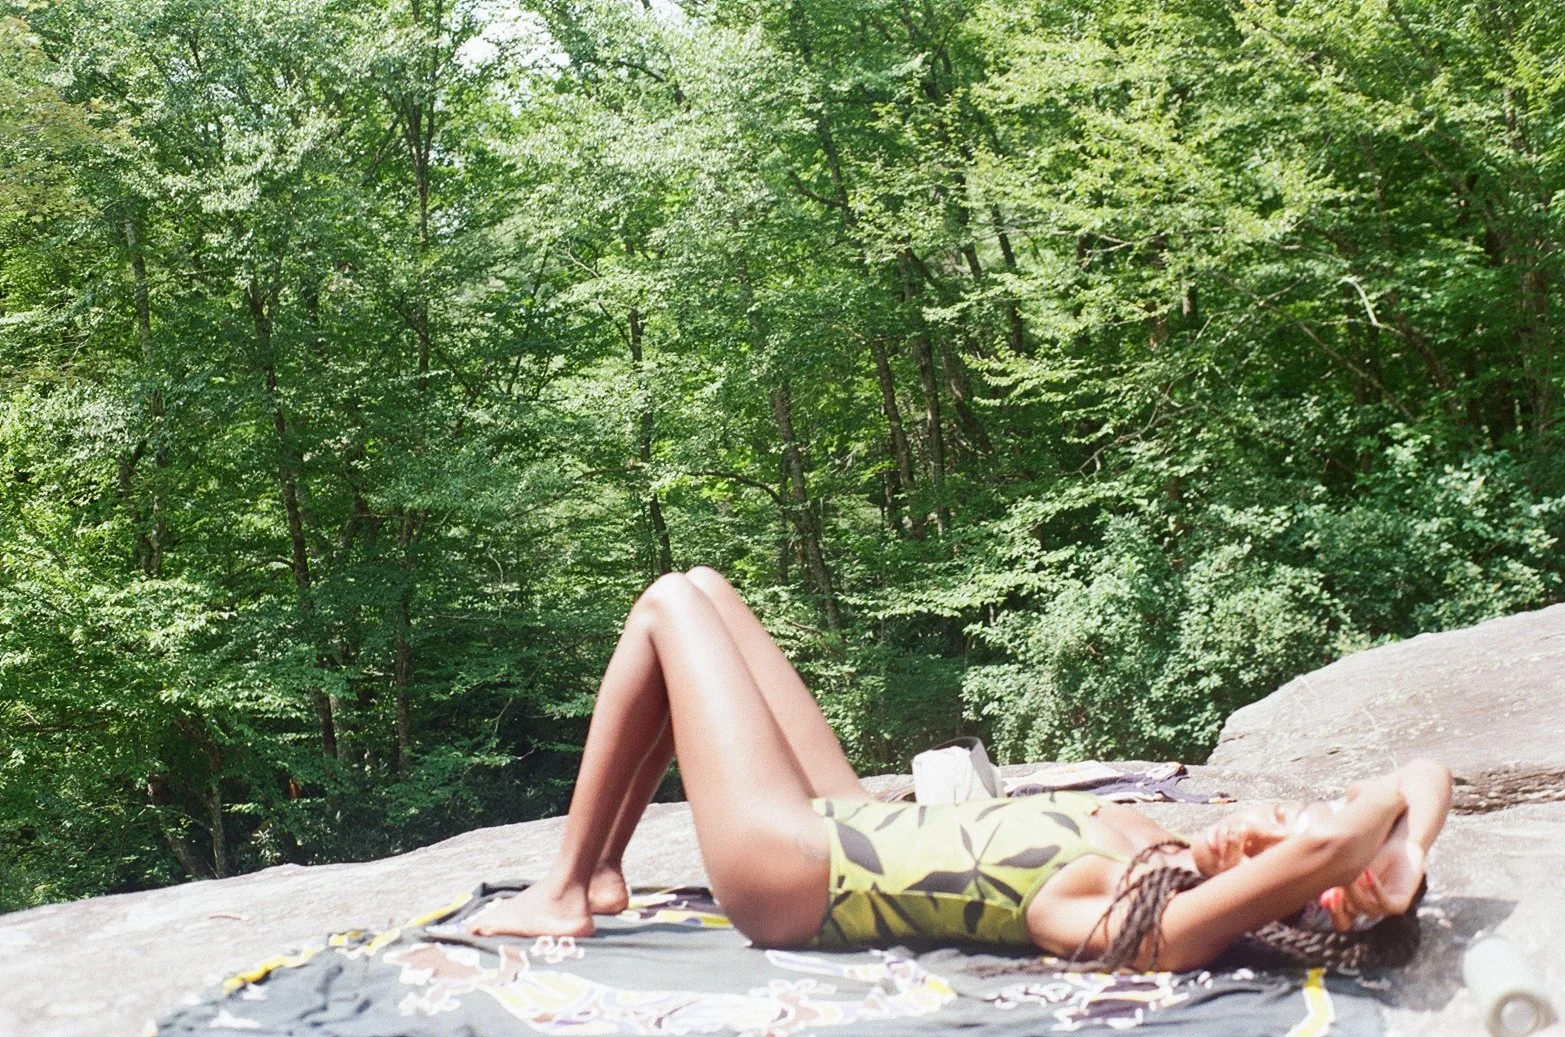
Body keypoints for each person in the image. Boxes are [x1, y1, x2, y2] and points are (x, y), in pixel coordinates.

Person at [468, 567, 1451, 972]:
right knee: (708, 589)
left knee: (664, 606)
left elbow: (1331, 832)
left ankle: (562, 888)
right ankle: (596, 866)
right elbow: (1422, 768)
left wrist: (1348, 869)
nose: (1249, 816)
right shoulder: (1169, 856)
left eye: (1271, 832)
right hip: (854, 816)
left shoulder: (1140, 920)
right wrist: (1400, 852)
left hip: (793, 868)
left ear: (1293, 888)